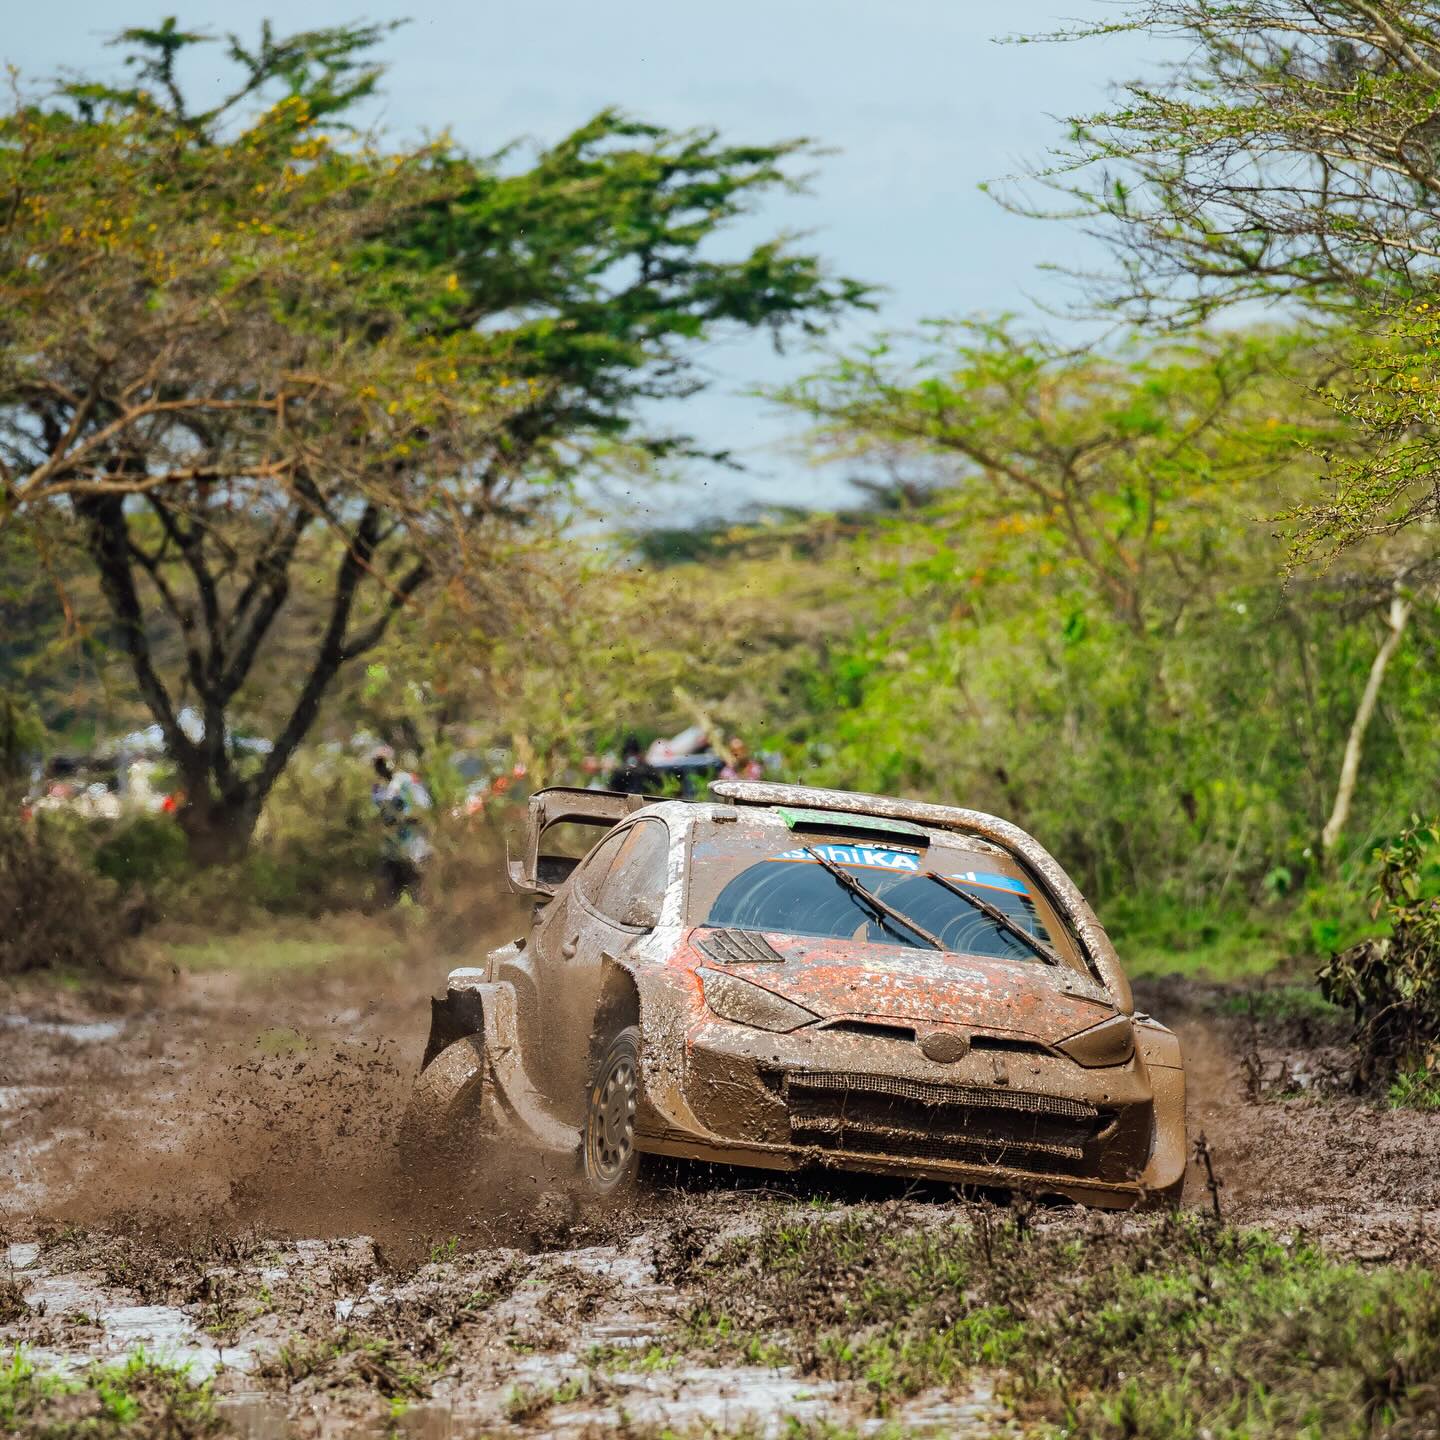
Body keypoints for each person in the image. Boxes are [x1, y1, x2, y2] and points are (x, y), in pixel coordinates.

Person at [371, 745, 433, 905]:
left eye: (383, 762)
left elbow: (424, 808)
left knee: (419, 892)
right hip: (392, 851)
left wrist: (408, 818)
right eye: (378, 764)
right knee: (390, 896)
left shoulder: (407, 781)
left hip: (415, 846)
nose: (381, 767)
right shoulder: (377, 789)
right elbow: (375, 817)